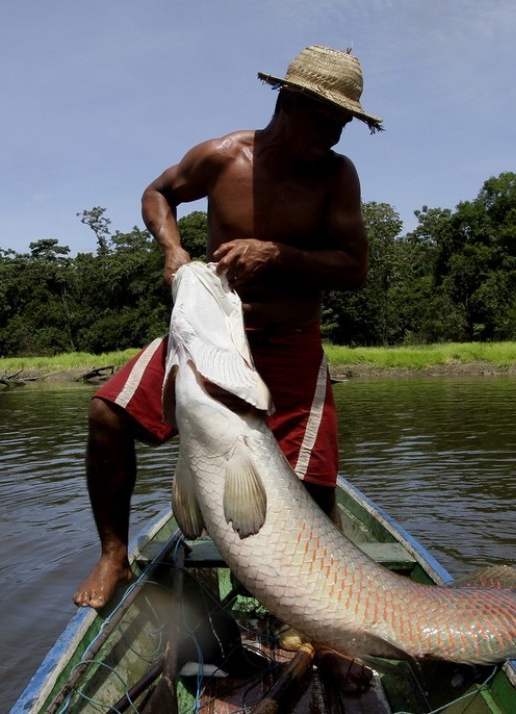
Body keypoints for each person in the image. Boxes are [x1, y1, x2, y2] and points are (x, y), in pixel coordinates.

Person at [73, 45, 383, 609]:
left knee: (312, 487)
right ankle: (114, 554)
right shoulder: (223, 156)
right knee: (106, 415)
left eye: (344, 123)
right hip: (213, 334)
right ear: (289, 100)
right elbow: (158, 193)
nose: (335, 134)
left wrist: (279, 255)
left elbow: (354, 268)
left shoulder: (337, 177)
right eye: (326, 117)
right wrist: (172, 248)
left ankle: (337, 621)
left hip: (290, 344)